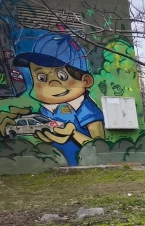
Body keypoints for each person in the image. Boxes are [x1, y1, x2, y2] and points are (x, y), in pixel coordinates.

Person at [4, 33, 104, 165]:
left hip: (85, 165)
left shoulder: (85, 108)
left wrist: (74, 134)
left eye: (62, 76)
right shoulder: (46, 109)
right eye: (41, 78)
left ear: (85, 81)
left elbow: (100, 146)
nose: (50, 85)